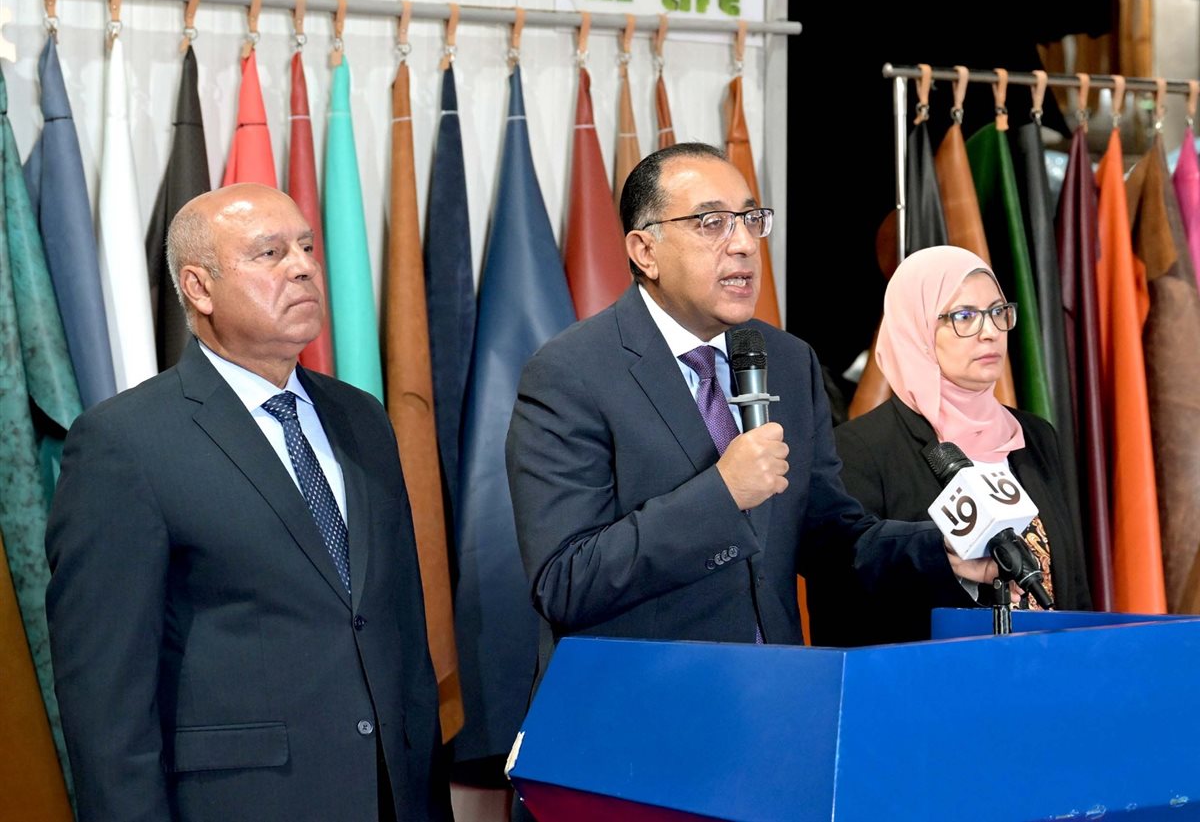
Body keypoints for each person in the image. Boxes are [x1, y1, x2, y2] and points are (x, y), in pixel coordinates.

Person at [45, 184, 451, 822]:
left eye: (307, 247)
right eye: (270, 253)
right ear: (199, 288)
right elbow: (104, 699)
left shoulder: (362, 418)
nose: (303, 267)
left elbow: (399, 631)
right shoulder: (124, 443)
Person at [505, 143, 996, 664]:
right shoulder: (571, 373)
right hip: (646, 698)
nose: (743, 243)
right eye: (711, 223)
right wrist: (723, 493)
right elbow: (565, 580)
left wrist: (941, 550)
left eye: (750, 219)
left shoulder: (787, 359)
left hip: (773, 687)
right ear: (645, 251)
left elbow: (828, 536)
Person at [829, 244, 1092, 646]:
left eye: (998, 312)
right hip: (935, 675)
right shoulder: (862, 449)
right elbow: (847, 589)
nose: (990, 331)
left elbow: (1071, 578)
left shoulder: (1036, 436)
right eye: (964, 316)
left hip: (1051, 668)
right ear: (916, 329)